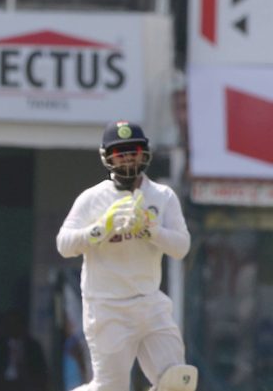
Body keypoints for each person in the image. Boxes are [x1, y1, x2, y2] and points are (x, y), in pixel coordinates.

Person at [56, 120, 198, 391]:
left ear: (144, 153)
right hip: (107, 306)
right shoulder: (92, 198)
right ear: (107, 157)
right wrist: (99, 230)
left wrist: (153, 231)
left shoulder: (162, 196)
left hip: (150, 302)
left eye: (132, 151)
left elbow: (181, 247)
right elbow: (64, 244)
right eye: (120, 152)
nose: (127, 158)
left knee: (179, 381)